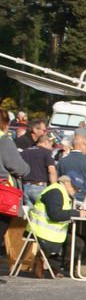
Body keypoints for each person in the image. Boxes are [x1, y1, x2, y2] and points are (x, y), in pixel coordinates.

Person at [27, 175, 79, 277]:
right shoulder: (55, 192)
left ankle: (56, 266)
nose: (77, 190)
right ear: (66, 183)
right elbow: (55, 215)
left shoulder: (62, 193)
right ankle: (52, 265)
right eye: (75, 187)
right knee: (76, 243)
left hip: (54, 232)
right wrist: (77, 213)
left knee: (79, 242)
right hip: (41, 231)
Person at [0, 110, 31, 260]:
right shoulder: (4, 141)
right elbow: (18, 167)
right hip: (3, 195)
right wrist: (26, 169)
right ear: (5, 124)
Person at [20, 133, 57, 205]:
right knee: (41, 213)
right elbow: (51, 170)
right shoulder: (47, 152)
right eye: (51, 145)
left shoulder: (24, 151)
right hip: (39, 187)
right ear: (46, 142)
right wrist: (54, 188)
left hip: (24, 187)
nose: (51, 148)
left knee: (29, 214)